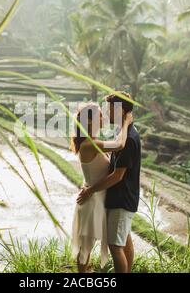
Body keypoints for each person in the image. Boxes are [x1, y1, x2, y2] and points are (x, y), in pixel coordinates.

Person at [77, 92, 141, 273]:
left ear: (120, 110)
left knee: (117, 244)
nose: (105, 114)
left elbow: (116, 174)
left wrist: (89, 188)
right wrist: (126, 122)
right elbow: (117, 148)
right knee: (90, 245)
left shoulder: (126, 137)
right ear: (89, 122)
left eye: (109, 110)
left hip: (112, 198)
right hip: (97, 200)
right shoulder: (92, 143)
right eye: (100, 113)